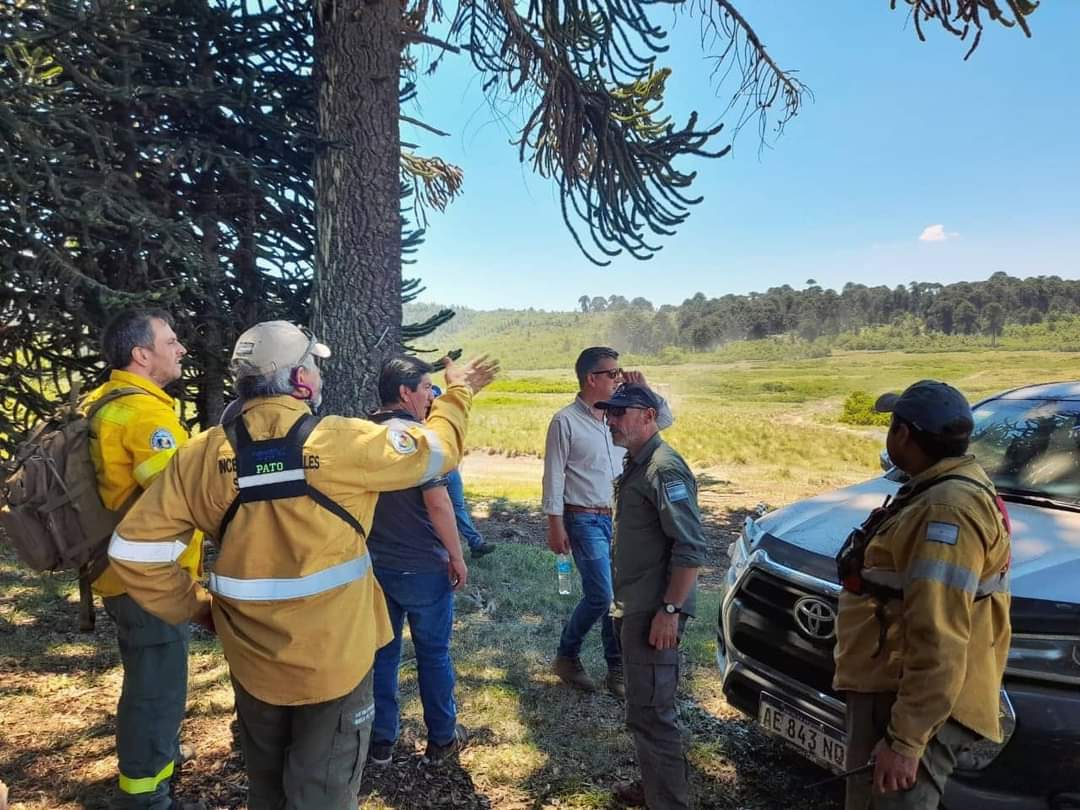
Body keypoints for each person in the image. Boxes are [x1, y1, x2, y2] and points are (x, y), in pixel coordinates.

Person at [106, 320, 498, 809]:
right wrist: (456, 393)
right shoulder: (341, 443)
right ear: (298, 381)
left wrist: (199, 608)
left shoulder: (200, 456)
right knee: (323, 796)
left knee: (267, 790)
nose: (317, 375)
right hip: (335, 663)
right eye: (312, 365)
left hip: (253, 663)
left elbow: (133, 551)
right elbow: (437, 450)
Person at [834, 380, 1011, 810]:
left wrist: (906, 741)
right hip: (893, 692)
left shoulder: (946, 511)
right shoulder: (939, 487)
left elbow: (940, 636)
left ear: (904, 436)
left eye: (892, 425)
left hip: (910, 706)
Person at [84, 308, 203, 810]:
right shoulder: (146, 415)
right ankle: (145, 795)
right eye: (170, 342)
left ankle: (158, 761)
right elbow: (180, 492)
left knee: (149, 678)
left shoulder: (102, 400)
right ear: (142, 354)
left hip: (115, 569)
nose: (179, 349)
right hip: (147, 578)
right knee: (156, 688)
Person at [542, 347, 672, 696]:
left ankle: (615, 669)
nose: (619, 378)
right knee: (602, 595)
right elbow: (553, 476)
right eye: (613, 373)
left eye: (620, 372)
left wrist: (646, 389)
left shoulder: (620, 415)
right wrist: (554, 524)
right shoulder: (565, 421)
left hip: (621, 519)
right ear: (591, 379)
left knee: (619, 595)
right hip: (583, 518)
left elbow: (664, 421)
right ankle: (567, 655)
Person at [599, 383, 705, 810]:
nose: (611, 421)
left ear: (647, 415)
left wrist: (670, 610)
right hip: (636, 604)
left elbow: (691, 549)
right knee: (643, 710)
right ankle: (655, 787)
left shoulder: (664, 469)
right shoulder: (638, 463)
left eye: (620, 413)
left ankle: (668, 801)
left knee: (655, 715)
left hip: (653, 611)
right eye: (609, 413)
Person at [366, 357, 470, 768]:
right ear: (406, 393)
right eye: (427, 388)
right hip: (423, 566)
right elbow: (438, 501)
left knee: (382, 654)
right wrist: (457, 555)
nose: (431, 396)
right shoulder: (417, 439)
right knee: (433, 654)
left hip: (375, 566)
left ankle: (380, 742)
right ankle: (442, 738)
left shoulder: (361, 434)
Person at [430, 384, 496, 558]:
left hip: (451, 470)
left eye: (436, 399)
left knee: (458, 507)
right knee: (439, 508)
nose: (432, 402)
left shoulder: (442, 421)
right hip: (434, 473)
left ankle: (475, 543)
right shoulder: (420, 423)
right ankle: (445, 549)